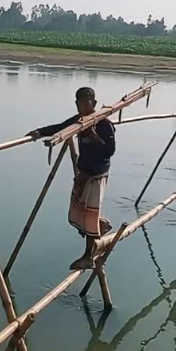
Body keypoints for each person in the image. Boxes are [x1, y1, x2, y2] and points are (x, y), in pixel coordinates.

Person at [28, 87, 116, 270]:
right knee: (77, 211)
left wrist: (94, 137)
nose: (82, 107)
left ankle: (88, 257)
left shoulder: (104, 124)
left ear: (94, 103)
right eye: (79, 103)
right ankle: (102, 225)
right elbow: (61, 127)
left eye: (86, 103)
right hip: (83, 172)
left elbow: (110, 151)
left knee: (90, 214)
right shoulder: (79, 122)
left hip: (97, 175)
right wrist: (40, 132)